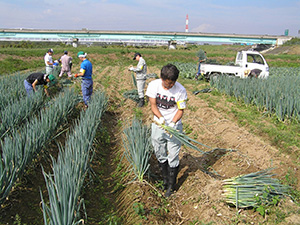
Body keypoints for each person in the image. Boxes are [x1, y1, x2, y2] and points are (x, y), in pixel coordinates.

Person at [145, 64, 187, 197]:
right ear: (161, 78)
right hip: (158, 124)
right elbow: (153, 104)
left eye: (171, 85)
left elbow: (180, 110)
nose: (168, 87)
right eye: (166, 84)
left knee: (173, 154)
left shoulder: (180, 90)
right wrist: (161, 119)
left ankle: (171, 185)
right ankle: (164, 179)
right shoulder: (153, 85)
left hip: (174, 127)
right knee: (159, 151)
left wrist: (173, 123)